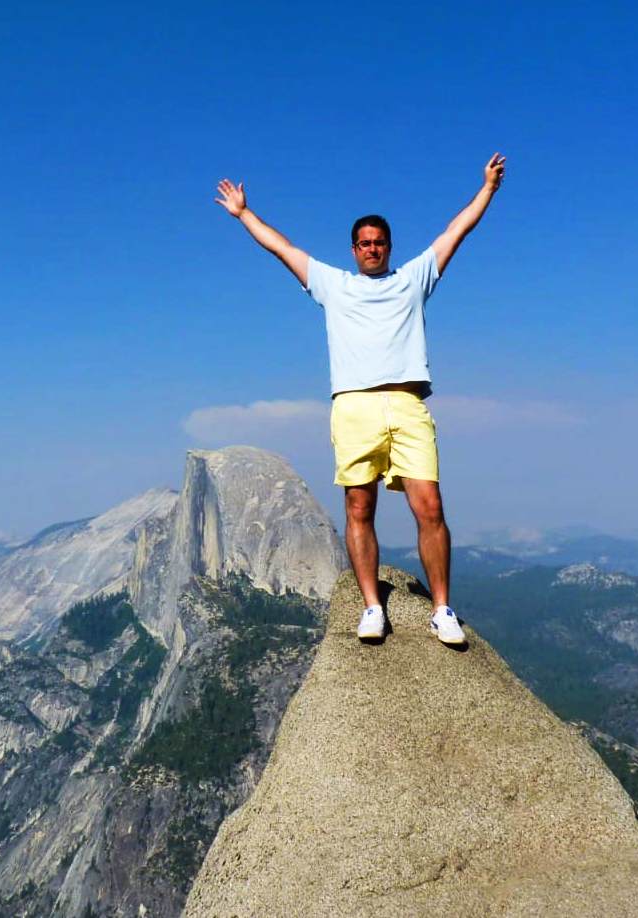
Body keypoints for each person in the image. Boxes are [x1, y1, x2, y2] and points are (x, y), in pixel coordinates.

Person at [215, 153, 506, 644]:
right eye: (364, 243)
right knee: (358, 506)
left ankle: (442, 609)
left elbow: (457, 231)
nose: (372, 249)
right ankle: (373, 607)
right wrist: (244, 214)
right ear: (353, 249)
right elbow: (282, 248)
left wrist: (487, 190)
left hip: (408, 405)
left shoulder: (414, 279)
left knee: (430, 506)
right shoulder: (334, 286)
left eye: (379, 243)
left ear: (389, 247)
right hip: (353, 406)